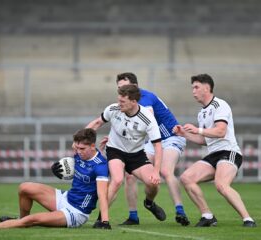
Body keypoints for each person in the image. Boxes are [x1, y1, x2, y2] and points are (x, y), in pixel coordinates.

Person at [0, 128, 111, 230]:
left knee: (32, 220)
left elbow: (103, 196)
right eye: (76, 148)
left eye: (82, 149)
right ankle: (19, 221)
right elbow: (81, 138)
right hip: (65, 198)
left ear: (93, 146)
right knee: (25, 187)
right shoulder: (81, 149)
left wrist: (104, 221)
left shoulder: (100, 167)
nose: (77, 152)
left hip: (76, 213)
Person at [173, 74, 257, 227]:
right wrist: (184, 134)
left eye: (196, 87)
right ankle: (207, 216)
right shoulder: (202, 112)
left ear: (207, 88)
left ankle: (248, 219)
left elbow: (220, 132)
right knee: (186, 178)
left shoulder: (219, 105)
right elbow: (205, 140)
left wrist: (197, 130)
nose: (193, 91)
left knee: (221, 184)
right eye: (192, 88)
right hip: (213, 155)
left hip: (229, 152)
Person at [114, 72, 189, 226]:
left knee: (166, 171)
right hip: (151, 141)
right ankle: (134, 215)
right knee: (130, 175)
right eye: (119, 88)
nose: (121, 92)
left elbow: (148, 117)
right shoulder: (126, 102)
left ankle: (180, 211)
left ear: (135, 86)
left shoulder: (145, 98)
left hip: (170, 137)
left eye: (125, 87)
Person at [86, 84, 166, 227]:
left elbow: (158, 146)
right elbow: (97, 123)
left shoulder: (147, 118)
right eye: (119, 100)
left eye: (123, 102)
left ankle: (149, 203)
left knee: (153, 184)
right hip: (115, 150)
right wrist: (80, 139)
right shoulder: (113, 109)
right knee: (117, 180)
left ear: (134, 102)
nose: (119, 104)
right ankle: (101, 219)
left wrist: (156, 171)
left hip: (136, 155)